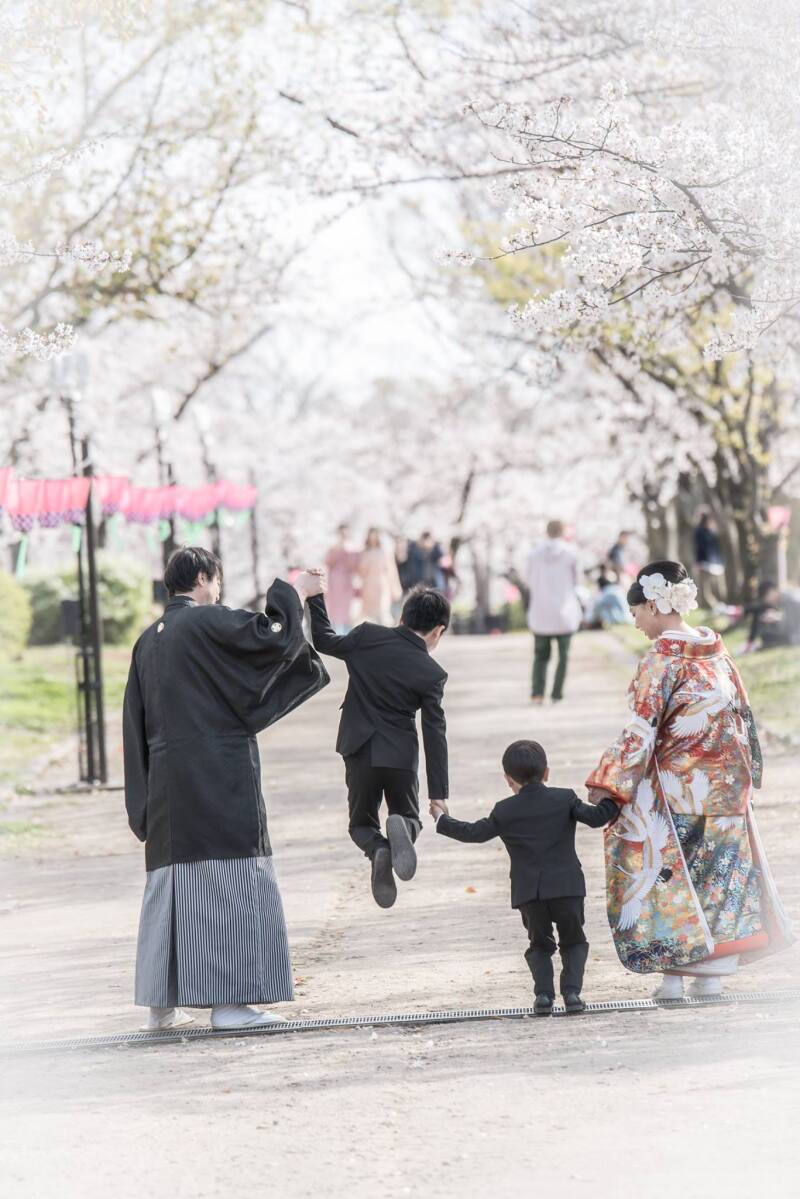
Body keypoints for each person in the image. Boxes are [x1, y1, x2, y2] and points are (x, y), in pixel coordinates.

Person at [123, 546, 329, 1031]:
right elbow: (271, 637)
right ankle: (231, 1004)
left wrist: (143, 802)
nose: (218, 591)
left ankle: (162, 1004)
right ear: (200, 577)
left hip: (167, 788)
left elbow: (134, 725)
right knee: (232, 881)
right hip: (216, 774)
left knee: (172, 889)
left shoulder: (146, 642)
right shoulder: (205, 621)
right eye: (215, 581)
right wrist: (296, 591)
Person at [586, 560, 793, 999]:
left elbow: (642, 729)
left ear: (656, 605)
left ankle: (675, 979)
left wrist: (609, 782)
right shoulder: (717, 651)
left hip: (679, 790)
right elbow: (744, 716)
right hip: (727, 789)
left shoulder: (663, 660)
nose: (636, 622)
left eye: (638, 612)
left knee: (675, 880)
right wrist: (750, 773)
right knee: (720, 879)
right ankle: (711, 976)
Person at [430, 740, 618, 1015]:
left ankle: (543, 997)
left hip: (530, 892)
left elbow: (474, 833)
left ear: (508, 780)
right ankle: (572, 994)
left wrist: (441, 819)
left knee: (539, 944)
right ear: (547, 773)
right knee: (574, 940)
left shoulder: (505, 810)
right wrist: (616, 793)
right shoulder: (564, 798)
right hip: (567, 888)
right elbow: (597, 817)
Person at [307, 583, 450, 909]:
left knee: (360, 825)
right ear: (438, 630)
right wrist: (438, 794)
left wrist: (315, 596)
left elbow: (324, 640)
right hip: (399, 755)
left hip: (358, 749)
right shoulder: (432, 673)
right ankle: (403, 828)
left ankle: (378, 850)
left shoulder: (367, 636)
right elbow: (434, 734)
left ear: (402, 616)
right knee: (409, 818)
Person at [526, 520, 582, 703]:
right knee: (563, 657)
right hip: (564, 612)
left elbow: (528, 579)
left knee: (540, 656)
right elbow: (577, 582)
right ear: (563, 532)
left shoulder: (533, 554)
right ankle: (557, 694)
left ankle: (537, 693)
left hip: (540, 611)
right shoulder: (570, 553)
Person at [358, 527, 402, 625]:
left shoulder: (385, 552)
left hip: (382, 585)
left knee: (383, 612)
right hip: (369, 586)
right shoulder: (365, 552)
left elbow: (392, 571)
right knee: (369, 615)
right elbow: (361, 572)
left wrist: (395, 588)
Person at [324, 524, 360, 633]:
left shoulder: (353, 549)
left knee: (347, 613)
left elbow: (355, 565)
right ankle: (334, 638)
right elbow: (328, 561)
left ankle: (347, 638)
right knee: (334, 614)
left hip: (347, 585)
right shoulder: (333, 548)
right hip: (334, 585)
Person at [693, 510, 726, 608]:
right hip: (716, 563)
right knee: (715, 589)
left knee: (706, 591)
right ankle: (718, 607)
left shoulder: (699, 531)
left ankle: (715, 608)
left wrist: (698, 562)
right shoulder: (712, 531)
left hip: (705, 563)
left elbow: (699, 548)